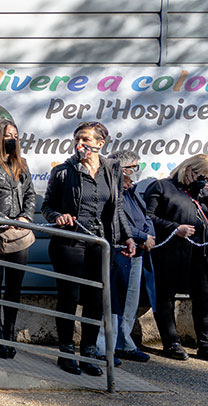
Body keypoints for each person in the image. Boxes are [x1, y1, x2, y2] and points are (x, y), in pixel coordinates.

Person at [42, 121, 136, 376]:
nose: (80, 144)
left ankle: (89, 352)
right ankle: (66, 352)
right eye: (77, 139)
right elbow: (47, 206)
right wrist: (58, 216)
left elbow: (116, 208)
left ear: (99, 143)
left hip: (101, 244)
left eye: (85, 139)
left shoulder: (113, 169)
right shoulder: (63, 170)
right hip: (70, 243)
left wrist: (127, 237)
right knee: (70, 297)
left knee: (95, 299)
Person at [145, 154, 208, 363]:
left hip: (202, 253)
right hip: (171, 251)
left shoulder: (204, 195)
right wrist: (174, 228)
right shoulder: (162, 187)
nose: (205, 181)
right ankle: (171, 342)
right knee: (166, 296)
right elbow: (148, 217)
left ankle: (207, 345)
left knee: (207, 297)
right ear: (189, 169)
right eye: (202, 176)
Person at [0, 119, 36, 359]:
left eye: (15, 135)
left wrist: (26, 216)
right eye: (7, 135)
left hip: (18, 232)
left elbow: (30, 193)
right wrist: (2, 218)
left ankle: (10, 332)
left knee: (14, 282)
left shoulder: (21, 164)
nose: (12, 139)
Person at [94, 150, 155, 363]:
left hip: (137, 252)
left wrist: (150, 235)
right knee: (113, 301)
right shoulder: (112, 190)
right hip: (119, 250)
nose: (137, 172)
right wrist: (141, 236)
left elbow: (145, 216)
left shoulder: (133, 191)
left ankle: (124, 343)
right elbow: (118, 221)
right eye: (134, 167)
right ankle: (102, 347)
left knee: (130, 302)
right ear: (123, 169)